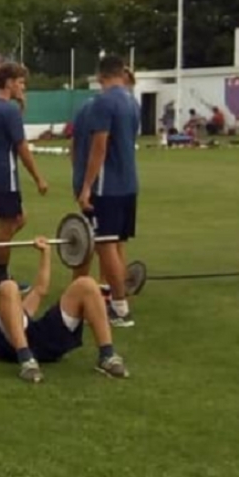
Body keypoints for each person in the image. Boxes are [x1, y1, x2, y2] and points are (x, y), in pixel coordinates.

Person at [0, 237, 129, 383]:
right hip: (9, 347)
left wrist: (45, 252)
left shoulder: (12, 314)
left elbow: (40, 290)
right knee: (8, 286)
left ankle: (107, 356)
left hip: (40, 341)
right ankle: (26, 361)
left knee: (86, 284)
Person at [72, 54, 140, 327]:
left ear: (100, 76)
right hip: (128, 185)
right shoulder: (132, 102)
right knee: (117, 243)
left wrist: (86, 186)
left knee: (104, 244)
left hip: (106, 186)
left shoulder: (103, 103)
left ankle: (120, 309)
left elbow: (100, 147)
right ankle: (112, 297)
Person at [0, 62, 48, 292]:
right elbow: (22, 148)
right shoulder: (9, 111)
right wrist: (39, 179)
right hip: (4, 178)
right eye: (20, 82)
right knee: (6, 227)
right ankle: (2, 279)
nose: (23, 87)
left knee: (18, 219)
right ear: (8, 83)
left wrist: (20, 108)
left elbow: (0, 135)